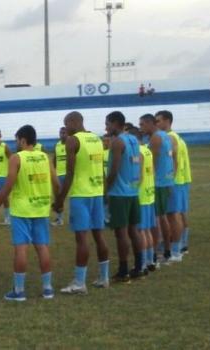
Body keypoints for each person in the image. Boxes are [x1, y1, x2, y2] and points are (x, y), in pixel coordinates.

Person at [0, 125, 60, 302]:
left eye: (17, 140)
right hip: (41, 208)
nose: (16, 143)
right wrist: (58, 202)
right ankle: (47, 289)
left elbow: (8, 185)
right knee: (42, 247)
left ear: (22, 140)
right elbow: (56, 183)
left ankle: (19, 290)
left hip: (22, 209)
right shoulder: (45, 157)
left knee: (21, 248)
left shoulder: (17, 158)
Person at [54, 112, 110, 294]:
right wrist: (104, 192)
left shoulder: (73, 141)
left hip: (81, 195)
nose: (66, 129)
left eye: (66, 124)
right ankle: (104, 277)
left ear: (73, 122)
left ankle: (79, 283)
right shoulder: (97, 139)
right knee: (99, 235)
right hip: (97, 193)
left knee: (82, 239)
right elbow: (101, 170)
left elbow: (69, 173)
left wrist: (60, 199)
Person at [105, 111, 143, 282]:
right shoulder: (133, 139)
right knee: (133, 230)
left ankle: (123, 269)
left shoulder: (118, 142)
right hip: (133, 191)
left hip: (119, 193)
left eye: (107, 124)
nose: (106, 127)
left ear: (115, 123)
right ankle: (139, 266)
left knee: (121, 233)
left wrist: (106, 189)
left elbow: (114, 169)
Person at [139, 113, 176, 264]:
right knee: (162, 217)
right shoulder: (166, 135)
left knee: (159, 218)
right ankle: (165, 249)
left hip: (159, 183)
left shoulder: (155, 138)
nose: (141, 128)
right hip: (166, 180)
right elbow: (172, 157)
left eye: (142, 125)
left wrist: (146, 182)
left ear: (149, 123)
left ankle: (162, 251)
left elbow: (151, 164)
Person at [156, 110, 191, 257]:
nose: (156, 123)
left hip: (174, 181)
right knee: (179, 213)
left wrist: (170, 180)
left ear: (167, 121)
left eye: (158, 121)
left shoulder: (169, 138)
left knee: (172, 214)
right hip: (182, 180)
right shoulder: (177, 137)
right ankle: (183, 244)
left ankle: (176, 248)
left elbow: (173, 161)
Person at [130, 127, 158, 272]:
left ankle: (142, 264)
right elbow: (152, 171)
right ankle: (150, 260)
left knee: (141, 231)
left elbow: (139, 175)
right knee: (146, 230)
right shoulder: (147, 150)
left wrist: (132, 190)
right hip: (149, 194)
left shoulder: (138, 152)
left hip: (141, 195)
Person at [52, 127, 67, 226]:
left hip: (69, 175)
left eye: (64, 133)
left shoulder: (71, 144)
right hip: (59, 175)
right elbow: (54, 161)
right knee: (58, 197)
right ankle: (59, 219)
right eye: (61, 133)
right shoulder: (57, 145)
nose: (62, 134)